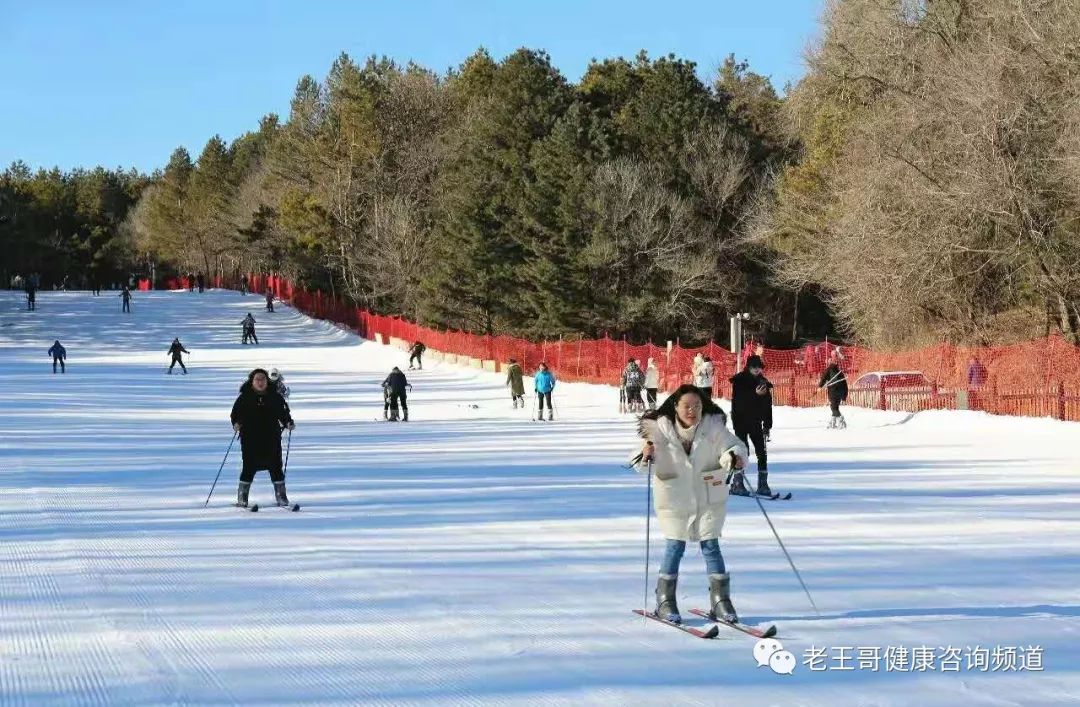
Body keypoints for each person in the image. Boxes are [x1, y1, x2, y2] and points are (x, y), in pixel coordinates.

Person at [632, 384, 748, 624]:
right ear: (676, 406)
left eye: (697, 406)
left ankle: (721, 600)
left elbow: (736, 446)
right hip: (674, 498)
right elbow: (639, 463)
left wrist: (733, 457)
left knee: (711, 545)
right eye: (687, 406)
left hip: (708, 496)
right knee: (675, 545)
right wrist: (647, 454)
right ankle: (665, 598)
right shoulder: (659, 431)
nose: (692, 410)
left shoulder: (713, 427)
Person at [231, 368, 295, 508]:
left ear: (267, 381)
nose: (260, 382)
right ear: (252, 381)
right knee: (249, 466)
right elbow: (235, 414)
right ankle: (242, 497)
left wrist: (288, 422)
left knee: (276, 466)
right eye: (257, 380)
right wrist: (236, 424)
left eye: (263, 379)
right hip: (250, 438)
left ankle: (281, 496)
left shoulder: (275, 397)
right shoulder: (244, 397)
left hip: (271, 437)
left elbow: (283, 413)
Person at [728, 355, 774, 496]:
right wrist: (755, 394)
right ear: (748, 367)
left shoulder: (762, 382)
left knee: (762, 452)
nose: (757, 369)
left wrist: (767, 424)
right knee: (743, 451)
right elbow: (740, 401)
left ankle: (763, 484)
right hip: (741, 421)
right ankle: (737, 483)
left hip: (755, 422)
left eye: (759, 367)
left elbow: (767, 405)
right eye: (754, 367)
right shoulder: (740, 380)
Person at [818, 351, 848, 428]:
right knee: (835, 407)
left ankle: (841, 420)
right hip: (839, 392)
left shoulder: (831, 370)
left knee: (833, 407)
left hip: (833, 391)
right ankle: (833, 422)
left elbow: (823, 378)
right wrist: (844, 396)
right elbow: (845, 385)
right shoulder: (838, 372)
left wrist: (820, 386)